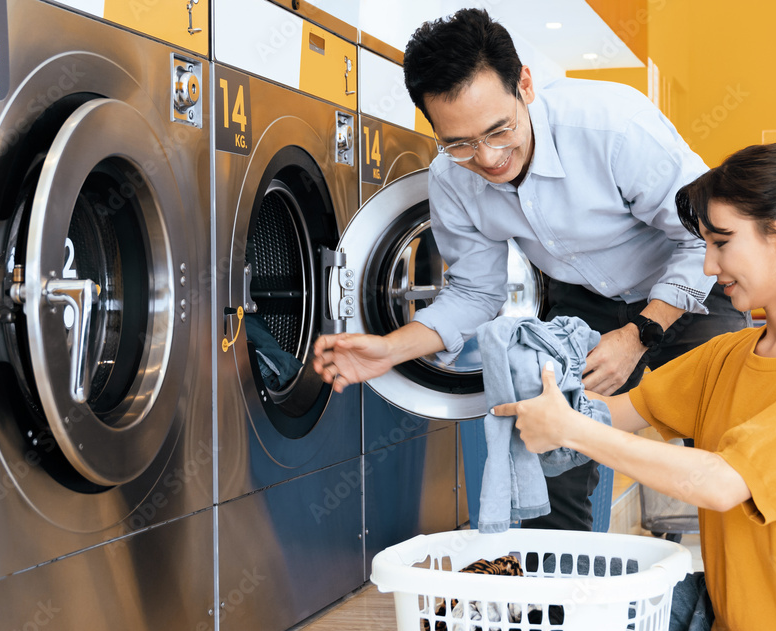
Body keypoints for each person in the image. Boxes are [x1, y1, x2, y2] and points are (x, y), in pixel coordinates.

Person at [312, 8, 749, 530]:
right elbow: (476, 292)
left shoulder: (613, 128)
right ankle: (557, 597)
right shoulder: (452, 179)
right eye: (460, 143)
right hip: (583, 301)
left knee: (731, 447)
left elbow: (700, 236)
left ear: (524, 85)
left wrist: (639, 332)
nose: (489, 158)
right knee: (551, 445)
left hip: (695, 284)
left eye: (499, 130)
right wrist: (390, 348)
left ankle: (740, 594)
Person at [493, 142, 776, 631]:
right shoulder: (729, 354)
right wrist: (542, 394)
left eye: (722, 243)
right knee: (561, 625)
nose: (708, 264)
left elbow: (720, 481)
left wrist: (572, 431)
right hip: (721, 616)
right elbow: (617, 414)